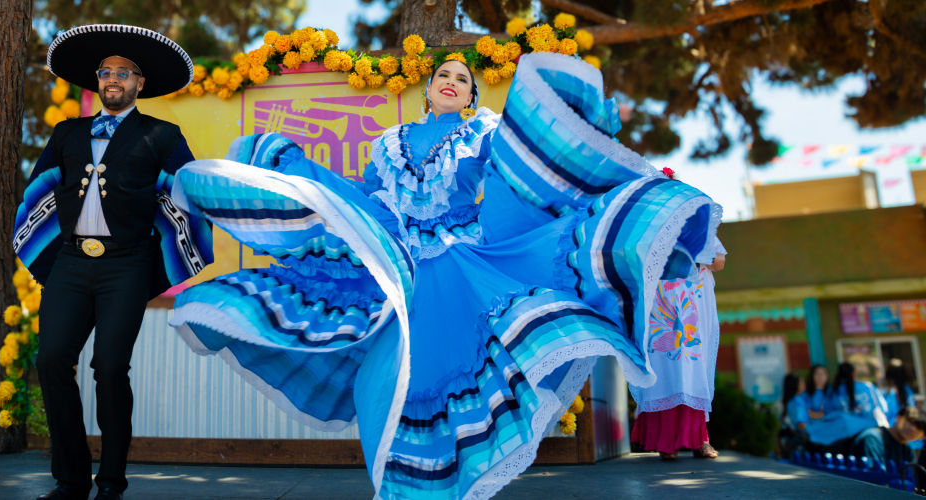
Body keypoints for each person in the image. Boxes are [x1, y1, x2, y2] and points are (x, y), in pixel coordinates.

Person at [169, 52, 721, 499]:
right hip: (401, 264)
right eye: (443, 76)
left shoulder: (481, 132)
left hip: (462, 263)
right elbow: (371, 198)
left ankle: (454, 479)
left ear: (472, 96)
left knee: (454, 363)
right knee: (400, 375)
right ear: (429, 90)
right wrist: (311, 183)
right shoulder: (388, 144)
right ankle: (410, 482)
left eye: (463, 78)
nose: (452, 82)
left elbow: (517, 177)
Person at [11, 25, 213, 500]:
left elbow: (187, 198)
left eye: (124, 72)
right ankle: (71, 478)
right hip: (71, 262)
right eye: (106, 72)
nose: (113, 79)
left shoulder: (162, 134)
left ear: (140, 84)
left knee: (108, 365)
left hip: (127, 264)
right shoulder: (67, 133)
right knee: (51, 359)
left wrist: (161, 265)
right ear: (97, 81)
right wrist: (47, 259)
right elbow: (38, 196)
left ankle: (111, 482)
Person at [628, 234, 726, 461]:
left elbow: (719, 262)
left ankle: (700, 440)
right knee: (663, 372)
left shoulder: (701, 225)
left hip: (693, 307)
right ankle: (666, 443)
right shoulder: (650, 225)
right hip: (661, 306)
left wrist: (692, 249)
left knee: (694, 372)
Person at [807, 363, 889, 451]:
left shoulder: (835, 391)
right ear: (854, 373)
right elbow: (884, 409)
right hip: (871, 431)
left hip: (842, 437)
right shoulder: (867, 387)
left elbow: (828, 413)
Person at [849, 406, 926, 472]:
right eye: (911, 421)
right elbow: (873, 480)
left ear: (922, 436)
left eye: (919, 427)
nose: (913, 429)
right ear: (898, 417)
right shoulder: (872, 438)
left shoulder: (908, 451)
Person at [780, 373, 811, 456]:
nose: (804, 384)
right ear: (795, 385)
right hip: (799, 440)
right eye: (801, 382)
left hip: (789, 440)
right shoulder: (797, 401)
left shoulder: (788, 401)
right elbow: (800, 423)